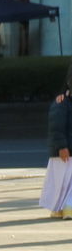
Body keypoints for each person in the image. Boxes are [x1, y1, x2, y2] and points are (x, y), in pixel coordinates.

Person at [43, 77, 72, 220]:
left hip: (66, 151)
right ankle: (66, 208)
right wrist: (61, 146)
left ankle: (60, 209)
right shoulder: (62, 103)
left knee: (65, 184)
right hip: (65, 152)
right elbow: (56, 127)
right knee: (64, 183)